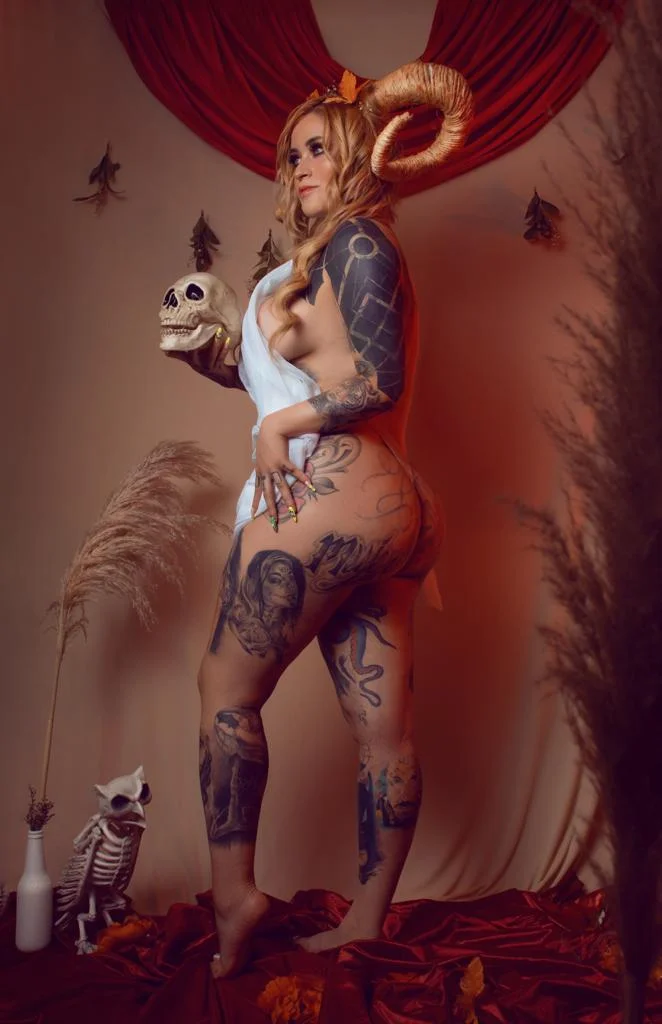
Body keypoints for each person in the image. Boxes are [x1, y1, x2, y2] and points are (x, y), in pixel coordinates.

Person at [166, 60, 472, 977]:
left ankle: (235, 895)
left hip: (330, 493)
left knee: (224, 690)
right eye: (292, 153)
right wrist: (223, 366)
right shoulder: (325, 259)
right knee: (385, 732)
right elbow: (311, 375)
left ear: (359, 155)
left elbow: (377, 379)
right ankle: (367, 922)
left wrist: (279, 428)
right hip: (391, 514)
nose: (301, 166)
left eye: (320, 149)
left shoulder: (359, 240)